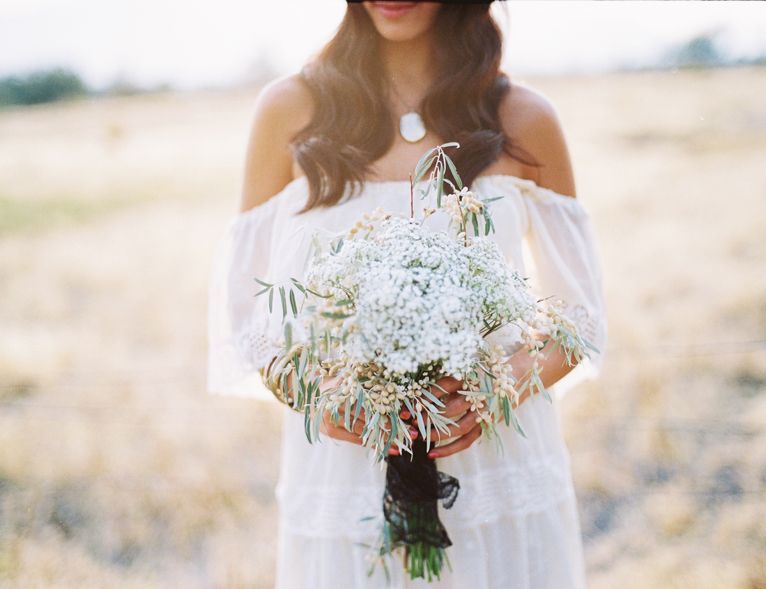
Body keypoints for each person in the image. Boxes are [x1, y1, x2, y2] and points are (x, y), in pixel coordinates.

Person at [207, 2, 607, 587]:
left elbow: (579, 318)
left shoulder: (524, 117)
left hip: (495, 461)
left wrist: (494, 388)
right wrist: (320, 397)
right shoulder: (290, 110)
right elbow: (249, 323)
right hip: (346, 468)